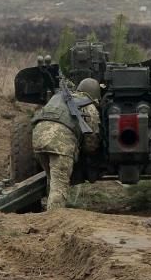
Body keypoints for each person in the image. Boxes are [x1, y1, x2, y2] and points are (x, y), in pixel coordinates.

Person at [31, 78, 102, 211]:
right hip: (60, 144)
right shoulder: (89, 106)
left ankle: (48, 212)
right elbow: (91, 139)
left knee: (52, 179)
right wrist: (88, 154)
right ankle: (54, 219)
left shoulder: (59, 97)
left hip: (38, 138)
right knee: (60, 184)